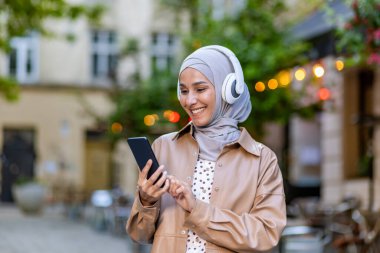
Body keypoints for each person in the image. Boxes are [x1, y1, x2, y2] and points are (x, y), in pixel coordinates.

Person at [126, 45, 286, 252]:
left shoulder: (262, 159)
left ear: (228, 90)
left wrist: (196, 208)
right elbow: (139, 235)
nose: (190, 100)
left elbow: (265, 235)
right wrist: (146, 201)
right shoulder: (163, 147)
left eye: (200, 89)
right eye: (183, 91)